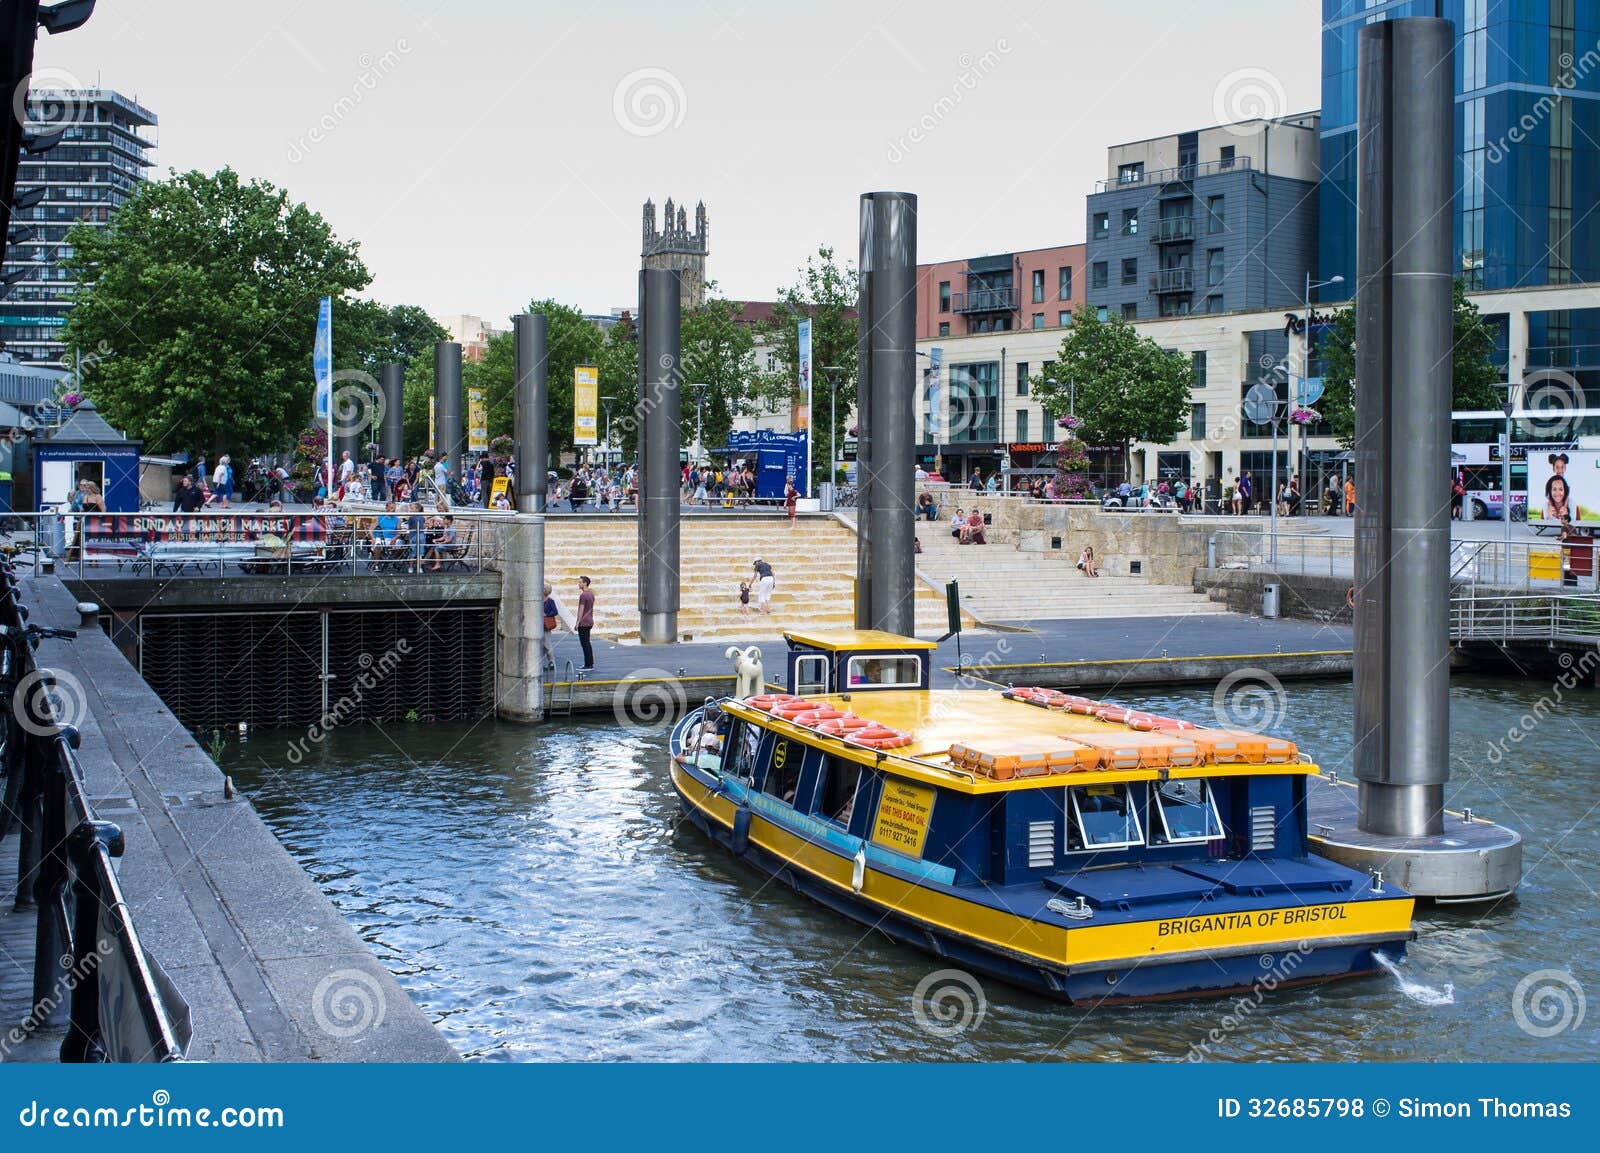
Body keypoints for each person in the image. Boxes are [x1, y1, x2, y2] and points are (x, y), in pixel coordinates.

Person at [575, 575, 595, 672]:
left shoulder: (583, 595)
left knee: (585, 644)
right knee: (587, 643)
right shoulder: (591, 594)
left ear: (585, 583)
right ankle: (590, 663)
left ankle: (588, 665)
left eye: (580, 582)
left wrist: (577, 623)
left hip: (583, 622)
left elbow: (581, 610)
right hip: (590, 621)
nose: (578, 584)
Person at [541, 582, 558, 670]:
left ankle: (552, 662)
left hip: (546, 626)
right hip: (538, 625)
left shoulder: (550, 601)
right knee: (541, 646)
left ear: (544, 590)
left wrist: (546, 615)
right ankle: (542, 664)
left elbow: (555, 612)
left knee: (547, 645)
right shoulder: (538, 600)